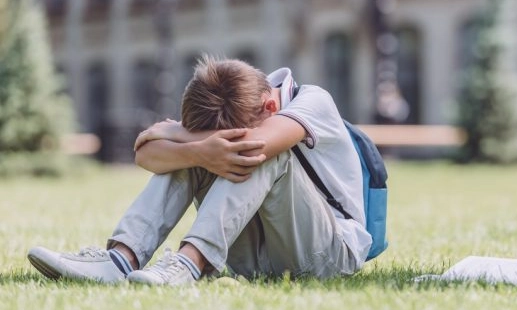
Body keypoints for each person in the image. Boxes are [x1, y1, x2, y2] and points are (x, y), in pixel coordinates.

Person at [27, 56, 371, 285]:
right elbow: (145, 156)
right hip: (253, 261)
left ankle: (188, 264)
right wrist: (196, 149)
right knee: (195, 155)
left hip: (328, 256)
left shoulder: (314, 101)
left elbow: (255, 145)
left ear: (270, 105)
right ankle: (120, 260)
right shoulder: (242, 108)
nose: (216, 141)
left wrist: (176, 133)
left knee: (257, 152)